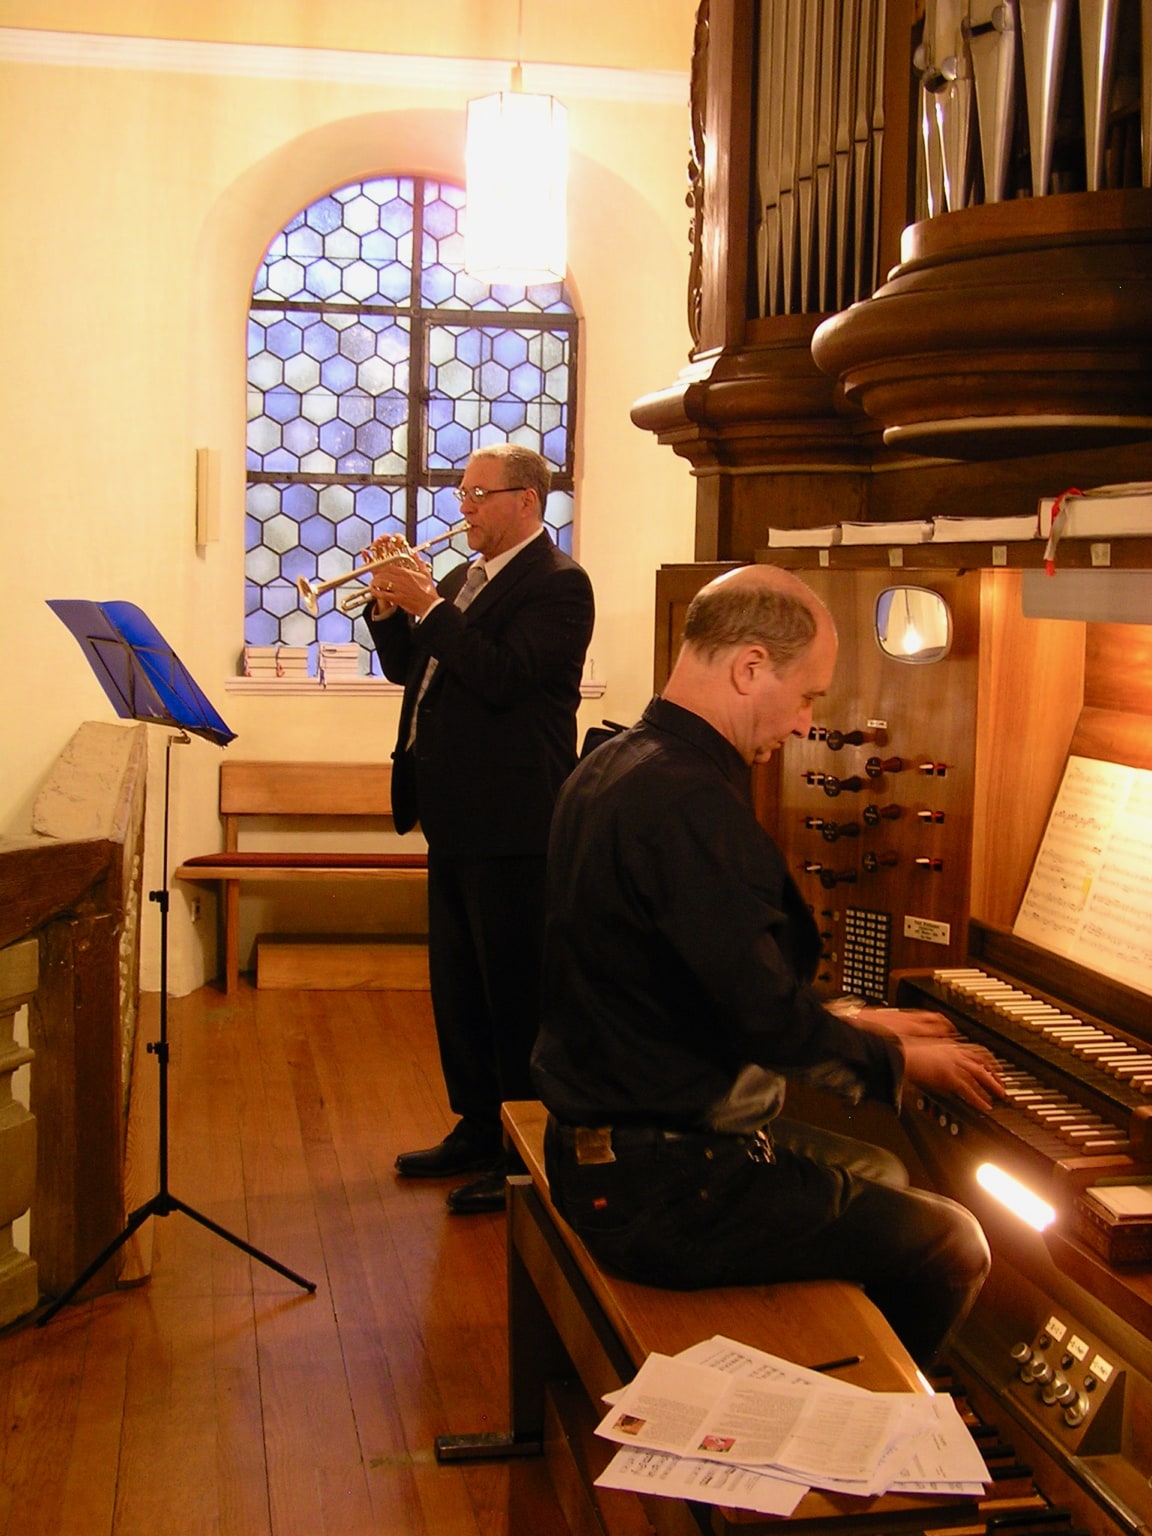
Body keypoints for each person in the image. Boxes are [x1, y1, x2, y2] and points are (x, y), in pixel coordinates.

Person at [531, 564, 1001, 1366]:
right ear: (750, 667)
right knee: (953, 1241)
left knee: (880, 1166)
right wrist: (892, 1057)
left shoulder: (614, 762)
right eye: (809, 695)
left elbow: (687, 980)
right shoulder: (688, 802)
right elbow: (757, 1015)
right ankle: (872, 1447)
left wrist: (850, 1020)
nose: (807, 721)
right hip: (669, 1190)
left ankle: (851, 1370)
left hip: (608, 1147)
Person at [365, 443, 594, 1214]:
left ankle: (522, 1147)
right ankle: (474, 1123)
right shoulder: (465, 577)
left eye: (475, 495)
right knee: (459, 986)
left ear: (526, 500)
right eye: (460, 495)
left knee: (513, 990)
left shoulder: (560, 585)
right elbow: (413, 672)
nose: (461, 508)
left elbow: (502, 677)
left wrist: (428, 606)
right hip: (455, 810)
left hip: (516, 814)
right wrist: (387, 609)